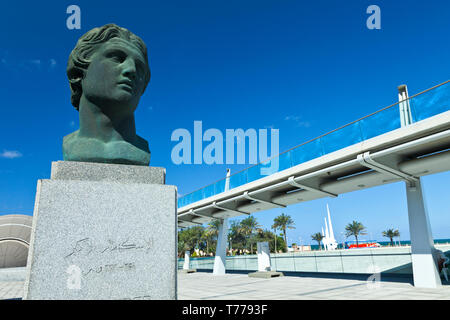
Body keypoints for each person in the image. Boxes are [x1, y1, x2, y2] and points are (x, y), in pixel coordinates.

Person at [63, 24, 151, 166]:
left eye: (140, 67)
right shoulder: (70, 146)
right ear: (79, 72)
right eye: (117, 57)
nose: (132, 69)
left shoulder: (141, 151)